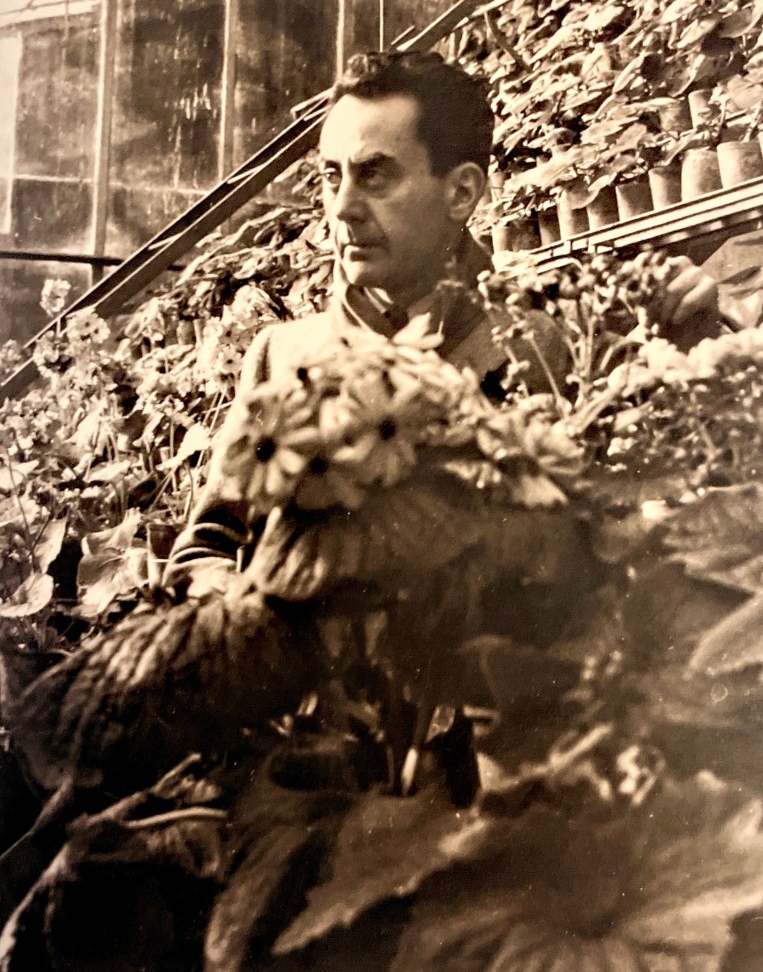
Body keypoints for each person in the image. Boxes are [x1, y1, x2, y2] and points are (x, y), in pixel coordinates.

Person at [166, 51, 719, 586]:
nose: (342, 207)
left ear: (460, 193)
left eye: (374, 175)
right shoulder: (282, 356)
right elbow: (204, 551)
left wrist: (694, 334)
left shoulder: (565, 337)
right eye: (332, 177)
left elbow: (687, 499)